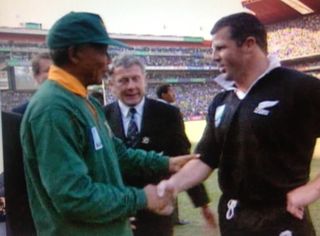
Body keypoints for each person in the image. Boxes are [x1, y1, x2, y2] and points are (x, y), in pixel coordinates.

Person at [20, 12, 197, 236]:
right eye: (102, 52)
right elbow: (74, 196)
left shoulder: (84, 101)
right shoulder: (53, 109)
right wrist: (141, 198)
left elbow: (117, 154)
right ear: (75, 54)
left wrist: (166, 163)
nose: (109, 61)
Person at [157, 12, 320, 236]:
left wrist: (312, 190)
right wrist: (170, 187)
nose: (214, 56)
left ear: (248, 44)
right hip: (234, 221)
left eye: (220, 47)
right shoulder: (221, 101)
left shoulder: (301, 88)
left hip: (284, 221)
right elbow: (206, 159)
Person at [105, 54, 213, 236]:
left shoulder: (168, 114)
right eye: (123, 80)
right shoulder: (101, 117)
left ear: (145, 81)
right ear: (111, 85)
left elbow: (181, 160)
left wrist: (202, 204)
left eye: (135, 79)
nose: (131, 86)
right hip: (117, 214)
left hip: (158, 213)